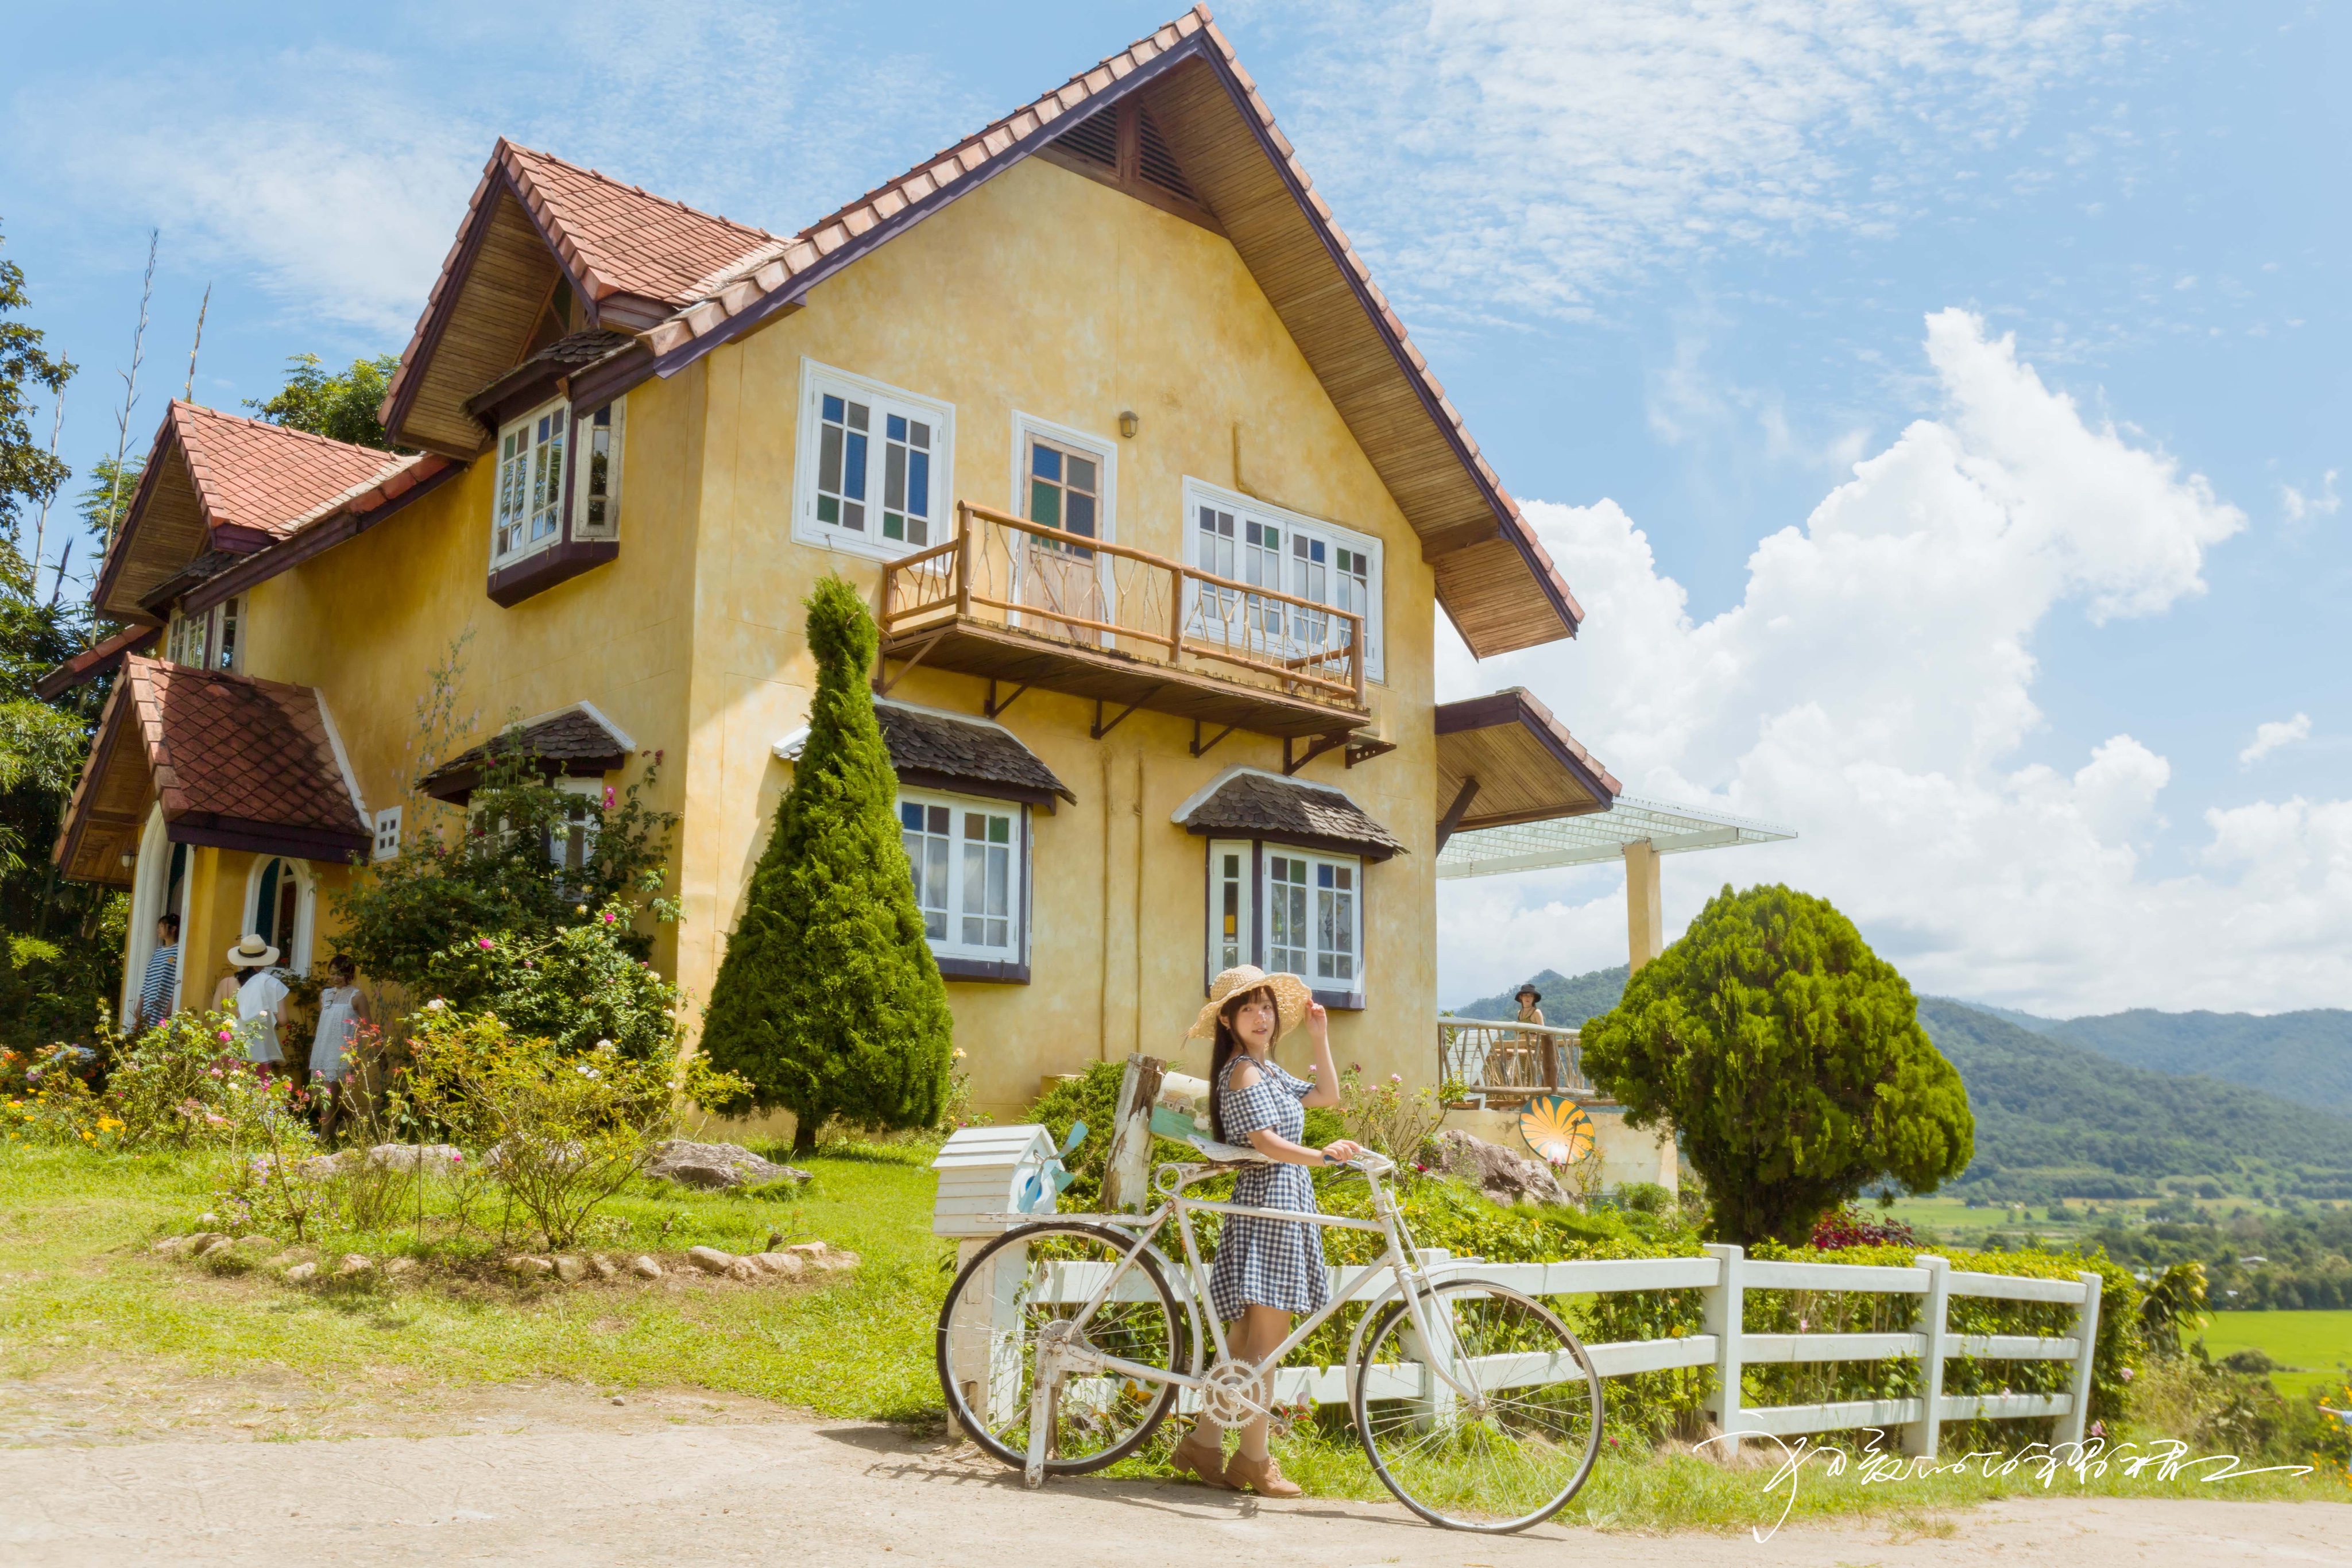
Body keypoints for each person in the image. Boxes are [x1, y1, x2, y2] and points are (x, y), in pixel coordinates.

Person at [1166, 965, 1362, 1499]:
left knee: (1242, 1343)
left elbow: (1327, 1095)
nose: (1261, 1016)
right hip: (1269, 1206)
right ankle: (1253, 1461)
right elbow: (1266, 1143)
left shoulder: (1266, 1069)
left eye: (1268, 1007)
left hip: (1279, 1203)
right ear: (1227, 1020)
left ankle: (1203, 1445)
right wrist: (1322, 1156)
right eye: (1249, 1007)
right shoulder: (1244, 1073)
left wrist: (1319, 1036)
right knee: (1265, 1348)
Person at [308, 955, 369, 1137]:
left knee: (327, 1098)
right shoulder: (325, 995)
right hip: (322, 1050)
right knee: (317, 1099)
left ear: (349, 975)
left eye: (341, 974)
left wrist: (378, 1053)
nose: (336, 978)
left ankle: (325, 1141)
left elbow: (369, 1025)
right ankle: (351, 1118)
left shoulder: (357, 996)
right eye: (333, 973)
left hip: (341, 1052)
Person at [223, 934, 288, 1078]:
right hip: (259, 1051)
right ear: (265, 959)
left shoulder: (226, 983)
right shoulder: (272, 984)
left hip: (230, 1046)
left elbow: (215, 1018)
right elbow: (283, 1020)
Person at [136, 913, 182, 1031]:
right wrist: (141, 1002)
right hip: (149, 1000)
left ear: (173, 928)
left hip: (165, 1001)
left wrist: (172, 1001)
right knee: (148, 1032)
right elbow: (148, 977)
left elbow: (180, 978)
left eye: (162, 926)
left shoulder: (179, 950)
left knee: (163, 1032)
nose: (158, 930)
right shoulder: (158, 952)